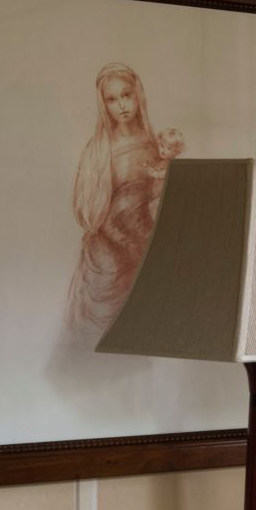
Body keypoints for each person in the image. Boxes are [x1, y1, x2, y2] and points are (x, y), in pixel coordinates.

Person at [66, 62, 185, 338]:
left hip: (147, 245)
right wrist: (129, 245)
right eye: (112, 99)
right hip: (109, 255)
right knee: (104, 330)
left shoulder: (156, 144)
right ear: (104, 105)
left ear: (137, 95)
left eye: (126, 95)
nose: (121, 105)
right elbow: (95, 215)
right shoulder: (98, 151)